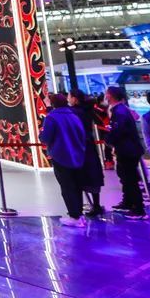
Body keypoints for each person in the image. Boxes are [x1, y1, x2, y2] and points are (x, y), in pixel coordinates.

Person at [40, 92, 87, 227]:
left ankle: (74, 216)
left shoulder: (52, 117)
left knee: (67, 187)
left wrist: (41, 135)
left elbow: (46, 137)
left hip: (61, 155)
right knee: (77, 186)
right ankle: (79, 214)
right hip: (77, 155)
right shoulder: (74, 115)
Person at [104, 86, 146, 219]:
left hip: (128, 149)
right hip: (126, 148)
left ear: (111, 95)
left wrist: (109, 139)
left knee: (130, 179)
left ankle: (138, 209)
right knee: (124, 176)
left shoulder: (120, 111)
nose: (105, 96)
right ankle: (128, 201)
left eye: (107, 94)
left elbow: (118, 131)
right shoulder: (120, 110)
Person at [68, 89, 105, 216]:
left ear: (75, 98)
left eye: (69, 97)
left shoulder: (73, 112)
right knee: (93, 174)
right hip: (89, 145)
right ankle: (96, 204)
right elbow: (101, 121)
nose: (68, 99)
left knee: (78, 176)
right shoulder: (89, 110)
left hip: (78, 146)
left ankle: (77, 208)